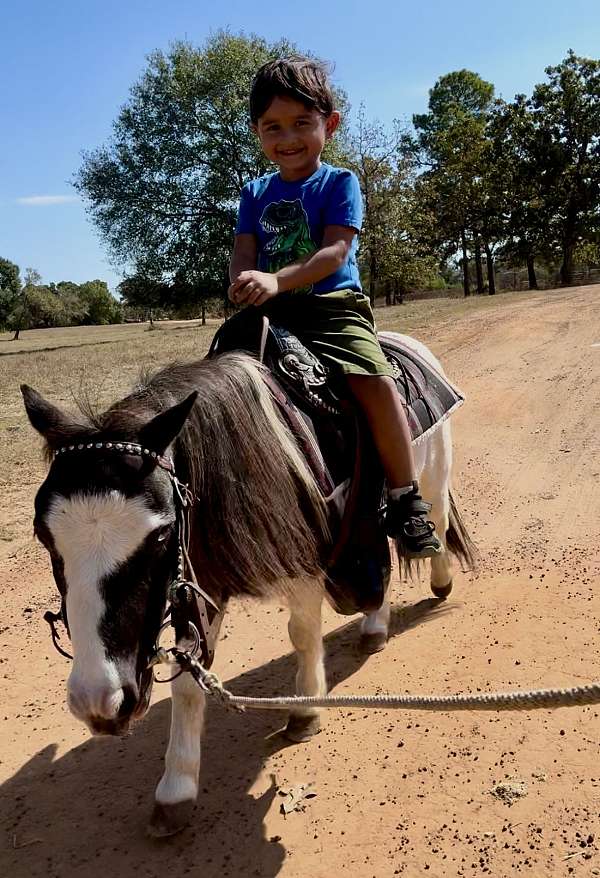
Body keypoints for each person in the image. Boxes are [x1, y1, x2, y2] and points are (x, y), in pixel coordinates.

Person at [228, 56, 441, 559]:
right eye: (272, 126)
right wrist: (241, 278)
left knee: (374, 379)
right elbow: (243, 248)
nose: (288, 138)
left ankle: (406, 498)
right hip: (272, 314)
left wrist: (275, 279)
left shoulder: (338, 183)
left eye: (302, 123)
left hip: (331, 308)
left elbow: (334, 253)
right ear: (257, 131)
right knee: (220, 384)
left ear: (330, 123)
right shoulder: (254, 193)